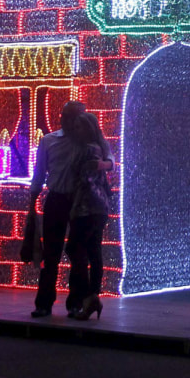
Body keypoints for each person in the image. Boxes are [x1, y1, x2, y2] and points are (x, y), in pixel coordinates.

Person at [27, 100, 87, 318]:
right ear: (64, 118)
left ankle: (73, 302)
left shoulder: (85, 143)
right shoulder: (49, 140)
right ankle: (46, 302)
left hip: (78, 201)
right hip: (58, 198)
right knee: (52, 253)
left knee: (77, 253)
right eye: (72, 117)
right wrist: (32, 203)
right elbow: (39, 172)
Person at [65, 111, 114, 321]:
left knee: (75, 249)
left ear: (88, 129)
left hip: (86, 206)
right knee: (93, 250)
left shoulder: (87, 150)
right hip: (100, 206)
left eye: (79, 127)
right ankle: (92, 296)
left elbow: (84, 178)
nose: (76, 131)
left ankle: (86, 296)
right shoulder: (100, 147)